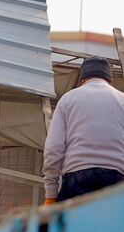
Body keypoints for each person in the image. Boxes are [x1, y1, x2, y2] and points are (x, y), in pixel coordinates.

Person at [42, 56, 124, 205]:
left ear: (82, 79)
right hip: (116, 179)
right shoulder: (122, 99)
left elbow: (54, 148)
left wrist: (51, 194)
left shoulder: (67, 99)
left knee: (74, 220)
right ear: (109, 79)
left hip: (77, 178)